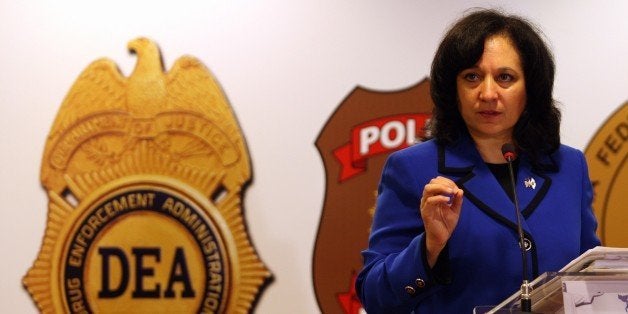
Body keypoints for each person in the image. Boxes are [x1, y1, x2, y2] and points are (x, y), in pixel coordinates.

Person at [356, 9, 600, 313]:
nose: (487, 93)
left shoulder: (568, 167)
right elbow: (375, 296)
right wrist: (429, 247)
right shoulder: (413, 168)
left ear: (531, 88)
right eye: (472, 77)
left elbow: (591, 277)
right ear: (453, 88)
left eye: (505, 78)